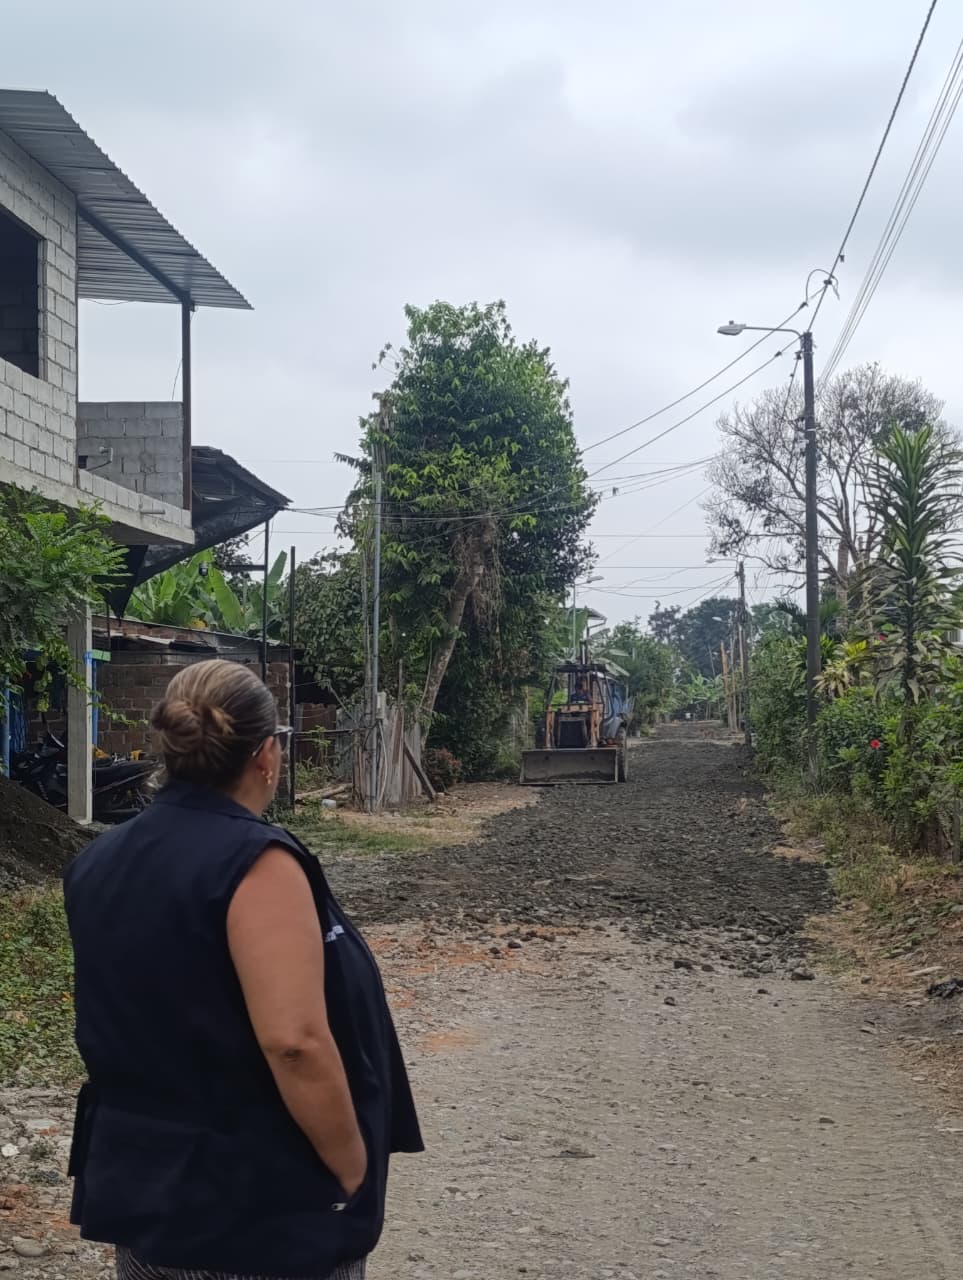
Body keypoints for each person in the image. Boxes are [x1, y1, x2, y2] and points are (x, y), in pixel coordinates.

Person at [64, 659, 422, 1280]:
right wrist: (352, 1166)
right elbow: (294, 1042)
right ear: (267, 754)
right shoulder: (257, 864)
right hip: (257, 1206)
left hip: (146, 1190)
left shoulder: (98, 860)